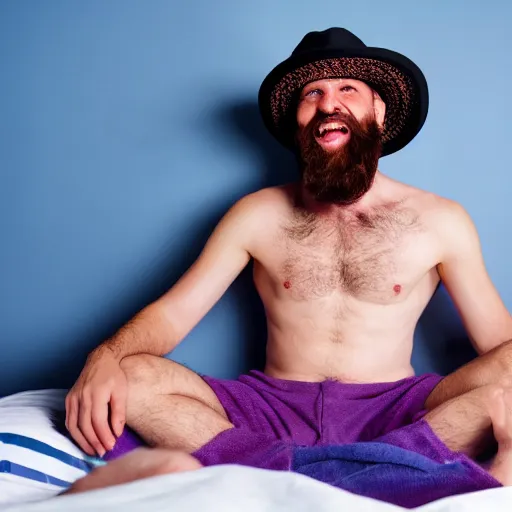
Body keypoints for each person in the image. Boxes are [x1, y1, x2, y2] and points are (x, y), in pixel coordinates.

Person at [65, 28, 512, 480]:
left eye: (347, 89)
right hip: (270, 410)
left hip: (396, 412)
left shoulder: (441, 219)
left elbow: (498, 342)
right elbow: (173, 314)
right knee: (135, 374)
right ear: (299, 123)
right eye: (312, 93)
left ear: (378, 111)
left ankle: (328, 467)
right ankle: (355, 472)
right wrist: (106, 355)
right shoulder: (255, 214)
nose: (327, 103)